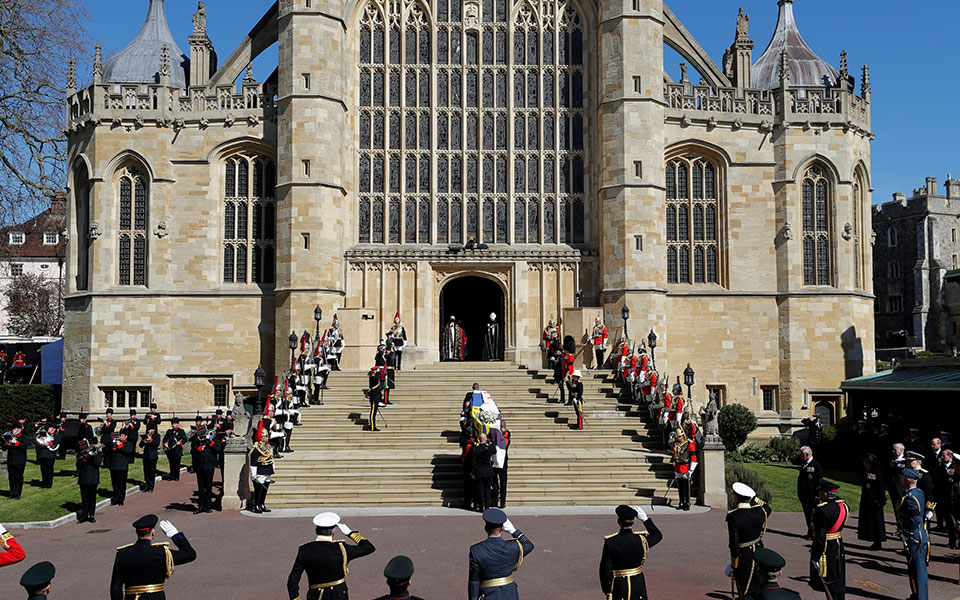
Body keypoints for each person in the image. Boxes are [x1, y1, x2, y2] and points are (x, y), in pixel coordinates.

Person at [287, 511, 376, 600]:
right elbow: (369, 547)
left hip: (316, 596)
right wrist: (350, 533)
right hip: (338, 596)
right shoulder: (341, 549)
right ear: (333, 532)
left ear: (316, 531)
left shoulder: (305, 550)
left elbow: (292, 581)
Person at [110, 515, 196, 600]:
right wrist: (175, 535)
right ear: (152, 533)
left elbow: (115, 588)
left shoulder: (123, 554)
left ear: (137, 533)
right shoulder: (161, 553)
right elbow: (189, 554)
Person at [599, 504, 662, 600]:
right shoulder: (641, 540)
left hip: (619, 584)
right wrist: (645, 519)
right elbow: (657, 535)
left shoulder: (611, 542)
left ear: (618, 521)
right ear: (634, 521)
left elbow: (605, 569)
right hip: (638, 583)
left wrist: (607, 590)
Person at [468, 508, 534, 600]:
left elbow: (474, 581)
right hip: (509, 594)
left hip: (488, 594)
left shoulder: (476, 550)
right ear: (503, 528)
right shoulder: (514, 547)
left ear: (486, 528)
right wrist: (513, 531)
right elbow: (529, 545)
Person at [726, 481, 773, 598]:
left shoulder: (733, 517)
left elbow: (734, 544)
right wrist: (755, 499)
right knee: (759, 581)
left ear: (736, 498)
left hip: (744, 554)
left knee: (744, 585)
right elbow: (767, 507)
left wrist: (733, 564)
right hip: (759, 549)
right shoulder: (759, 511)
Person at [809, 480, 847, 600]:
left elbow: (820, 537)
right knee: (839, 577)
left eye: (820, 492)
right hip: (838, 543)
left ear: (825, 493)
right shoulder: (843, 506)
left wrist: (815, 556)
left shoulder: (822, 510)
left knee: (829, 581)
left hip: (827, 547)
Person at [897, 469, 929, 600]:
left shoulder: (910, 497)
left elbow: (915, 519)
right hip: (916, 536)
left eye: (903, 478)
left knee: (919, 571)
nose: (901, 480)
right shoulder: (918, 492)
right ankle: (916, 595)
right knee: (913, 570)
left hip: (915, 537)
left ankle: (921, 597)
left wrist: (906, 533)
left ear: (908, 480)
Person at [857, 453, 886, 550]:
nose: (863, 462)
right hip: (867, 501)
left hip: (875, 502)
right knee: (870, 521)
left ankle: (878, 542)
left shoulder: (876, 473)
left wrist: (881, 501)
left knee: (876, 522)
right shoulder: (866, 472)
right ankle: (873, 540)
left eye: (865, 461)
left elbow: (880, 488)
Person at [191, 425, 219, 514]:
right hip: (200, 465)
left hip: (209, 465)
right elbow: (192, 450)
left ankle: (208, 506)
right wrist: (198, 448)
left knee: (208, 486)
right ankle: (201, 506)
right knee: (201, 487)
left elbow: (218, 449)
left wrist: (211, 443)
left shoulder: (213, 438)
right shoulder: (197, 440)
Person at [670, 423, 698, 511]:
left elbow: (693, 457)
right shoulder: (675, 444)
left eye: (680, 436)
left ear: (683, 435)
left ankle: (687, 503)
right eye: (677, 436)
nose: (678, 438)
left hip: (685, 467)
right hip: (678, 467)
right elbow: (674, 456)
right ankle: (681, 502)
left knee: (686, 487)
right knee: (680, 487)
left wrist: (691, 470)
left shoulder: (689, 443)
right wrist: (674, 466)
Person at [796, 446, 822, 539]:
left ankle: (814, 533)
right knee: (807, 514)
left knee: (813, 515)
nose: (800, 456)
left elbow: (819, 482)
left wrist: (817, 495)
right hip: (804, 495)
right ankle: (810, 531)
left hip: (812, 495)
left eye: (801, 455)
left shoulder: (815, 465)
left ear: (807, 455)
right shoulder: (804, 464)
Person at [905, 451, 935, 527]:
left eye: (911, 461)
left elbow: (929, 492)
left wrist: (929, 509)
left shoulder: (924, 475)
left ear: (918, 461)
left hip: (921, 505)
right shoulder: (907, 472)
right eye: (908, 461)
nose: (909, 463)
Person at [935, 448, 958, 548]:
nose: (942, 457)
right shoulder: (940, 466)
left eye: (944, 455)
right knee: (949, 521)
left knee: (955, 520)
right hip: (944, 498)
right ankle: (952, 540)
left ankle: (957, 540)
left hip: (954, 498)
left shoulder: (954, 467)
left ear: (950, 456)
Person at [76, 440, 102, 523]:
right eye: (90, 444)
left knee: (92, 498)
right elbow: (78, 464)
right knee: (84, 498)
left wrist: (92, 455)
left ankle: (91, 515)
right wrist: (85, 458)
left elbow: (98, 463)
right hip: (83, 478)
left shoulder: (98, 453)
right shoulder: (82, 453)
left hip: (93, 478)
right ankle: (84, 516)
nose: (92, 445)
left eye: (93, 444)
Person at [105, 431, 134, 506]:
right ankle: (115, 498)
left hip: (122, 467)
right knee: (115, 484)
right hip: (113, 466)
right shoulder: (114, 443)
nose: (121, 437)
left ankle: (121, 499)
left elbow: (128, 451)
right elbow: (106, 451)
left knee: (121, 484)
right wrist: (112, 447)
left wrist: (120, 446)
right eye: (120, 435)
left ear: (126, 436)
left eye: (123, 435)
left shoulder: (128, 444)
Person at [249, 428, 275, 514]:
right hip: (260, 469)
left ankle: (262, 504)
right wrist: (253, 474)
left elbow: (271, 457)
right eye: (265, 436)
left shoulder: (268, 446)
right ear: (261, 437)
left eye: (267, 436)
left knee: (265, 489)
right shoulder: (256, 448)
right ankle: (256, 505)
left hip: (268, 469)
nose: (267, 437)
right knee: (259, 489)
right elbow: (253, 461)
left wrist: (273, 467)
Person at [2, 419, 28, 499]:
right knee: (11, 477)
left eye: (15, 429)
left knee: (18, 477)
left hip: (20, 461)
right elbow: (3, 448)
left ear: (19, 430)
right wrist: (6, 443)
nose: (13, 431)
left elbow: (25, 446)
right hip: (11, 460)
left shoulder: (24, 437)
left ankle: (18, 494)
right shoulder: (10, 437)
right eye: (13, 429)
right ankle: (12, 493)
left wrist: (16, 442)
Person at [472, 433, 496, 512]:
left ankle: (481, 507)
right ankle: (487, 506)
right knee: (487, 490)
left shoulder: (476, 449)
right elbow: (494, 450)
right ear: (485, 439)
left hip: (479, 470)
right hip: (488, 470)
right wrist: (490, 442)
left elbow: (473, 462)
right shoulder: (489, 448)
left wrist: (473, 472)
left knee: (480, 489)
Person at [367, 344, 386, 431]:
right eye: (376, 370)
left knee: (374, 412)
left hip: (376, 396)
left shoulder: (375, 376)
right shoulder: (373, 377)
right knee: (373, 413)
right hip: (374, 396)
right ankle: (372, 427)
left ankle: (373, 426)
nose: (377, 370)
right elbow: (374, 385)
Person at [35, 423, 60, 489]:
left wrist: (49, 443)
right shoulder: (44, 435)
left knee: (49, 470)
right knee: (43, 470)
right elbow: (38, 440)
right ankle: (44, 483)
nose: (49, 429)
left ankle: (49, 483)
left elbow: (56, 441)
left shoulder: (56, 435)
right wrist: (41, 444)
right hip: (43, 454)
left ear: (54, 429)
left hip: (50, 455)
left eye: (51, 428)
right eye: (49, 428)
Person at [493, 419, 511, 509]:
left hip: (503, 462)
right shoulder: (495, 435)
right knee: (494, 481)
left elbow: (504, 442)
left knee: (503, 483)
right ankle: (496, 496)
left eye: (503, 426)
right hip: (495, 461)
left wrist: (503, 433)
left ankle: (503, 502)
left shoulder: (507, 436)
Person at [139, 424, 160, 493]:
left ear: (153, 430)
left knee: (152, 472)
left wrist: (151, 440)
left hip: (153, 456)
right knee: (146, 471)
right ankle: (147, 485)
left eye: (151, 429)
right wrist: (143, 441)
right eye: (148, 429)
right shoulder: (146, 435)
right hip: (146, 456)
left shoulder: (157, 436)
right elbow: (140, 445)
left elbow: (156, 444)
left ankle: (151, 486)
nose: (149, 431)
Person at [886, 442, 907, 508]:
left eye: (895, 450)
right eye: (893, 449)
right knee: (895, 503)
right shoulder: (891, 459)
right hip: (892, 485)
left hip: (901, 485)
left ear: (901, 450)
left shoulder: (906, 460)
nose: (893, 451)